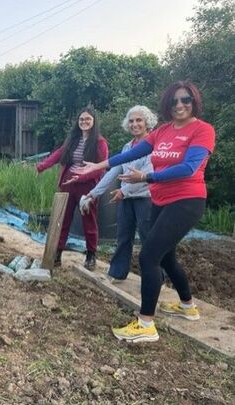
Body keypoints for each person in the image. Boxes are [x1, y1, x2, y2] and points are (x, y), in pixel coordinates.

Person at [76, 81, 215, 343]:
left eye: (185, 100)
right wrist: (98, 166)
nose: (180, 105)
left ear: (194, 101)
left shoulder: (202, 130)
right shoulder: (162, 131)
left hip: (186, 201)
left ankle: (146, 324)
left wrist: (147, 177)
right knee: (165, 258)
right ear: (167, 105)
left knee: (149, 256)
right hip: (161, 201)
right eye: (174, 101)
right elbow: (129, 154)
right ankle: (188, 307)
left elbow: (189, 168)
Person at [80, 106, 157, 283]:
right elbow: (113, 172)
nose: (134, 124)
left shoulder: (153, 145)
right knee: (123, 237)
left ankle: (155, 279)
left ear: (147, 123)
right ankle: (117, 274)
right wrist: (93, 194)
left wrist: (124, 191)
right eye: (131, 121)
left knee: (149, 240)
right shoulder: (127, 147)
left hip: (146, 198)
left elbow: (147, 174)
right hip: (126, 199)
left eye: (139, 120)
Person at [36, 107, 109, 269]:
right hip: (68, 184)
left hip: (87, 185)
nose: (84, 122)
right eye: (82, 119)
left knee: (89, 221)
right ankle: (57, 254)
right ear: (78, 122)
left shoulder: (100, 142)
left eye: (88, 119)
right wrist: (42, 166)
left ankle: (91, 255)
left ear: (94, 121)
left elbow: (100, 168)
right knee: (63, 220)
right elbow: (58, 154)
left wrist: (81, 177)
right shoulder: (73, 140)